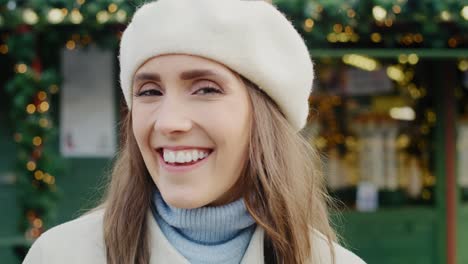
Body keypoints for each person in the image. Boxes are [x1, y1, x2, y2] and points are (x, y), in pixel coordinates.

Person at [23, 0, 366, 263]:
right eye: (149, 92)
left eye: (206, 89)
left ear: (265, 118)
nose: (169, 122)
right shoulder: (60, 255)